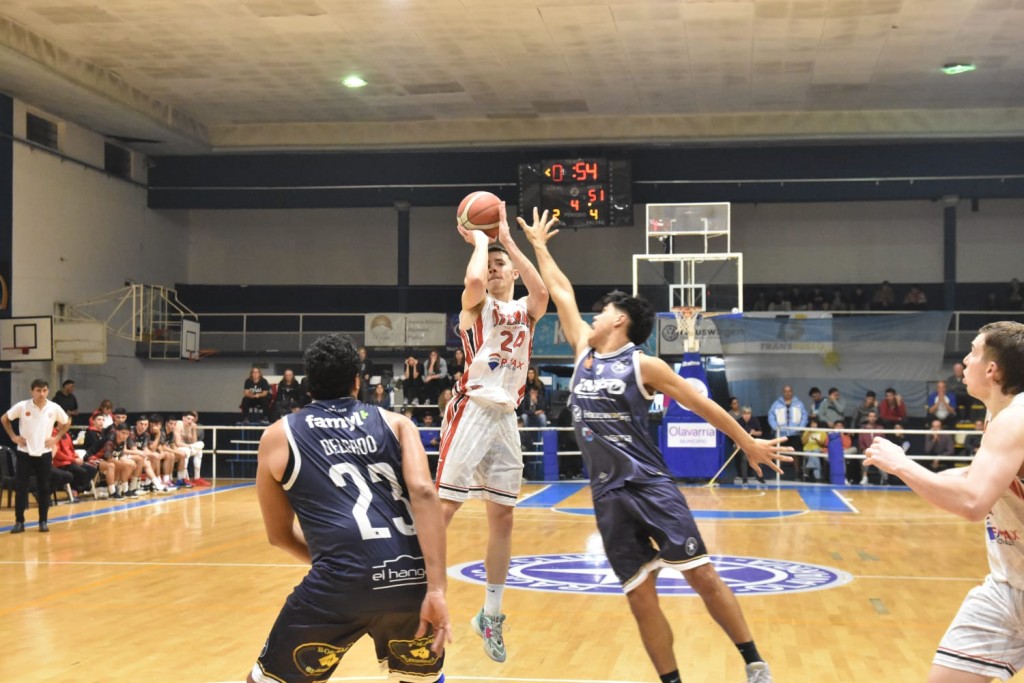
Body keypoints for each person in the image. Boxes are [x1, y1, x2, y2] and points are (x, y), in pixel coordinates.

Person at [521, 207, 792, 683]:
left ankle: (754, 663)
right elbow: (561, 291)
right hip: (606, 495)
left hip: (649, 485)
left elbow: (701, 404)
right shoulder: (583, 351)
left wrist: (746, 441)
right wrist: (539, 246)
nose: (595, 315)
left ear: (620, 320)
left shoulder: (644, 365)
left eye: (604, 310)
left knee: (701, 574)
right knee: (640, 598)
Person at [247, 334, 449, 683]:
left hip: (338, 585)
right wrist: (436, 589)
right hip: (409, 579)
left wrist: (349, 568)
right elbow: (424, 493)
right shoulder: (398, 423)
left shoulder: (278, 436)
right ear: (357, 381)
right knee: (421, 680)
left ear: (308, 384)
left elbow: (278, 535)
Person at [865, 321, 1024, 681]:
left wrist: (902, 464)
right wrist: (911, 471)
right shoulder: (999, 413)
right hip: (1008, 586)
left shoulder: (1016, 418)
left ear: (993, 370)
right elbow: (978, 477)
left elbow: (973, 503)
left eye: (973, 352)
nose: (965, 360)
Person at [435, 202, 549, 664]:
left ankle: (491, 614)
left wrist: (508, 241)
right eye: (492, 264)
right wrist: (481, 240)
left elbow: (541, 290)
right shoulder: (475, 307)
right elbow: (474, 281)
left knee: (503, 518)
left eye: (503, 265)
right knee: (445, 508)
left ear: (514, 273)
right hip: (472, 410)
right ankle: (413, 589)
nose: (496, 269)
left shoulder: (526, 310)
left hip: (506, 417)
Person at [2, 379, 71, 533]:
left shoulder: (54, 407)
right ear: (32, 391)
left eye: (44, 390)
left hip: (44, 453)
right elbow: (4, 418)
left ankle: (43, 521)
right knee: (21, 488)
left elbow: (67, 422)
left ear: (48, 391)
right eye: (38, 390)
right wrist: (13, 437)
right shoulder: (22, 406)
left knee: (44, 488)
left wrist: (56, 438)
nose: (42, 394)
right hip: (25, 452)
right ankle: (19, 522)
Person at [767, 385, 808, 481]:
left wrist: (800, 427)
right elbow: (771, 416)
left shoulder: (799, 404)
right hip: (781, 434)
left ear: (792, 392)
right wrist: (775, 427)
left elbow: (804, 416)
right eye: (785, 391)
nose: (787, 393)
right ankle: (777, 475)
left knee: (796, 455)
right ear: (783, 392)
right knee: (778, 454)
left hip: (795, 434)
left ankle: (798, 475)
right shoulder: (776, 404)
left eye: (789, 391)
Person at [736, 406, 764, 485]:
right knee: (744, 458)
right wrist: (737, 444)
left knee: (759, 459)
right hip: (743, 443)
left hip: (754, 443)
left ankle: (760, 478)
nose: (747, 415)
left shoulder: (755, 420)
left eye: (748, 413)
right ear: (742, 414)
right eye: (745, 413)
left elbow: (760, 433)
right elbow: (735, 434)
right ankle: (744, 479)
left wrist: (755, 433)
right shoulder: (739, 421)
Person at [800, 417, 827, 482]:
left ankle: (807, 468)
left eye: (815, 423)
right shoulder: (807, 431)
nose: (813, 425)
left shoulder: (822, 432)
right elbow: (803, 442)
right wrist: (808, 434)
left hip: (818, 449)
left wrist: (816, 440)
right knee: (814, 458)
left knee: (815, 453)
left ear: (817, 424)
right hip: (807, 449)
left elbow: (823, 443)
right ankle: (818, 478)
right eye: (812, 423)